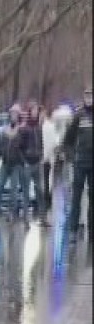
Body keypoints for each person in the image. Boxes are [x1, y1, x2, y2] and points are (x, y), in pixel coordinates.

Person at [62, 86, 93, 232]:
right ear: (83, 98)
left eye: (91, 96)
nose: (89, 99)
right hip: (80, 163)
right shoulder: (78, 116)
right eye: (87, 96)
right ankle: (73, 230)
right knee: (76, 198)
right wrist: (72, 157)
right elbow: (67, 140)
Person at [0, 105, 29, 220]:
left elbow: (24, 146)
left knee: (15, 189)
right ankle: (1, 211)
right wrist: (2, 154)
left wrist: (21, 157)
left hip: (18, 163)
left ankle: (15, 212)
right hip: (6, 162)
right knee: (1, 187)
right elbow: (2, 144)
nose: (13, 116)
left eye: (15, 114)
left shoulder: (22, 129)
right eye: (12, 114)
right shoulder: (5, 129)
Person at [22, 102, 46, 220]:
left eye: (37, 110)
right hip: (28, 162)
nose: (35, 112)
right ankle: (26, 216)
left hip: (37, 162)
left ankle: (43, 217)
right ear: (30, 112)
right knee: (26, 190)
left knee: (40, 190)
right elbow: (20, 147)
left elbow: (41, 143)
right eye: (33, 110)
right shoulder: (25, 128)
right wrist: (24, 160)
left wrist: (41, 155)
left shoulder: (39, 127)